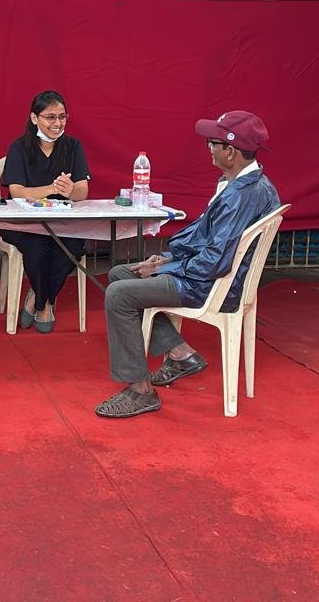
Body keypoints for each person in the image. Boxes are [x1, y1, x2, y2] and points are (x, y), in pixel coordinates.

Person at [95, 110, 281, 418]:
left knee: (119, 294)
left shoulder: (239, 196)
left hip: (211, 286)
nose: (209, 148)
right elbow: (210, 243)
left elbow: (214, 262)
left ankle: (141, 391)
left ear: (230, 152)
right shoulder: (250, 183)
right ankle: (181, 353)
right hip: (212, 276)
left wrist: (163, 268)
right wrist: (167, 258)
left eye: (212, 143)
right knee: (120, 273)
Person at [0, 90, 90, 333]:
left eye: (62, 116)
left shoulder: (73, 147)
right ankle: (45, 304)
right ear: (34, 118)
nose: (57, 123)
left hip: (62, 223)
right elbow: (17, 192)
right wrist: (52, 188)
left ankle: (37, 298)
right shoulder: (19, 148)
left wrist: (71, 190)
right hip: (23, 224)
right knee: (37, 246)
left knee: (73, 246)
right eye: (50, 117)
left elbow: (82, 190)